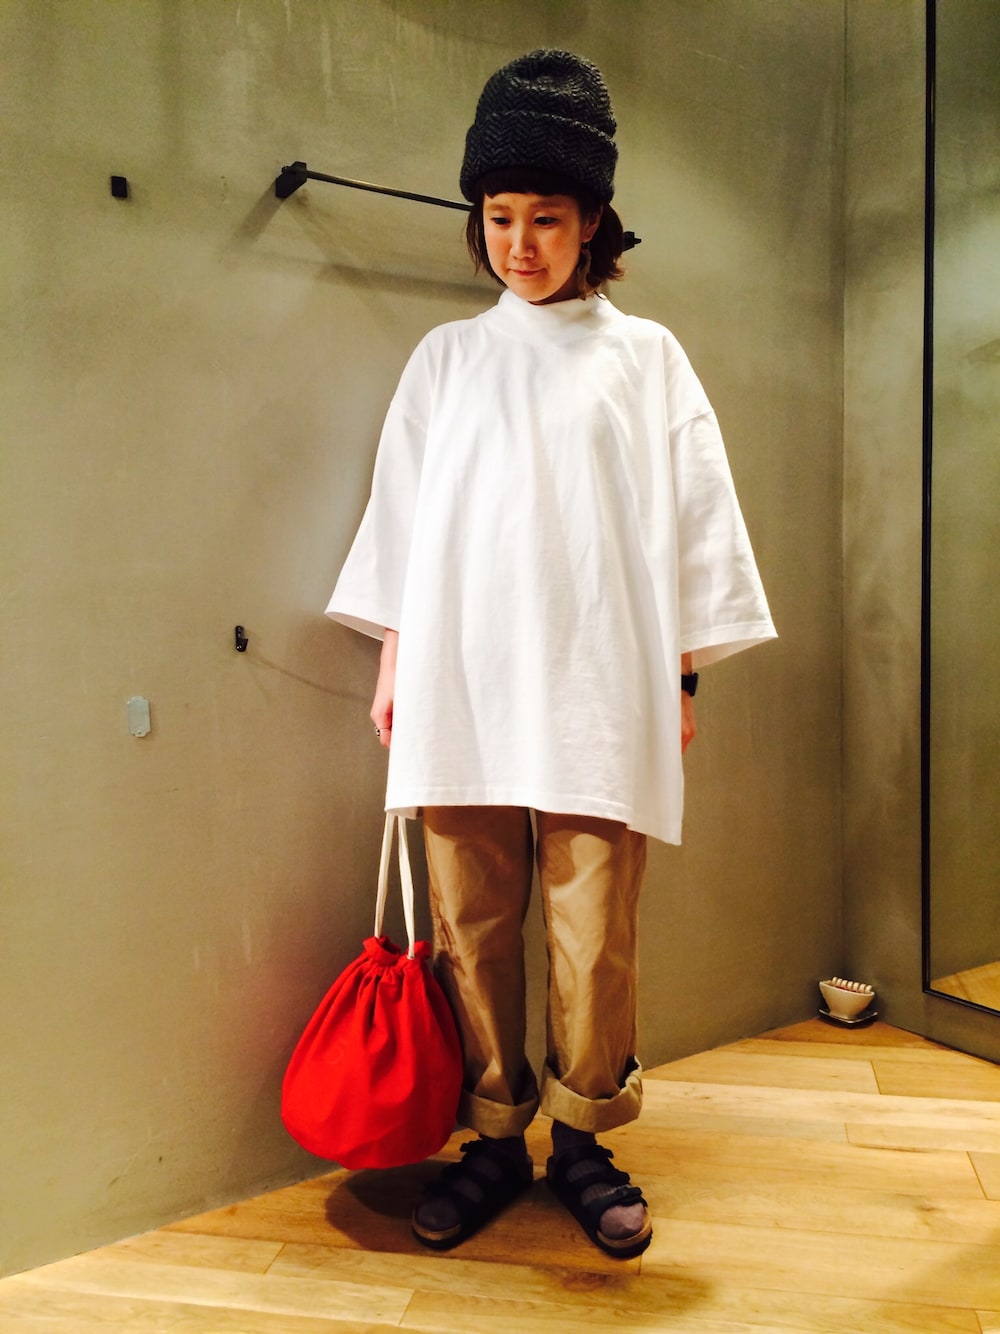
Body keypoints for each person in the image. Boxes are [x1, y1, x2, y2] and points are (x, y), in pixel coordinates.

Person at [326, 49, 776, 1259]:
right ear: (478, 222)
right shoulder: (446, 359)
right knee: (471, 921)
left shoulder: (646, 358)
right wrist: (393, 659)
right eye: (500, 217)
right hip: (461, 675)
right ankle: (491, 1137)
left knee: (593, 929)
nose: (520, 244)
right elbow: (405, 521)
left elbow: (696, 522)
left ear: (593, 224)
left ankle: (583, 1138)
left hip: (597, 680)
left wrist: (680, 675)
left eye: (546, 218)